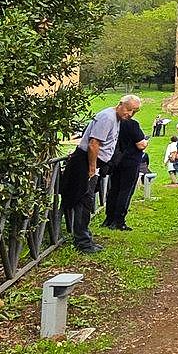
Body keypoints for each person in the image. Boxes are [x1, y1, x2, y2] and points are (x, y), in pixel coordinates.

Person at [61, 94, 141, 254]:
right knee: (84, 200)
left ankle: (85, 237)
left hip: (93, 163)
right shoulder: (107, 118)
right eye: (128, 110)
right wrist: (92, 168)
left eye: (134, 112)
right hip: (86, 162)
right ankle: (82, 242)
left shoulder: (117, 119)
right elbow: (93, 144)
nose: (130, 114)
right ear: (120, 104)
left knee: (86, 200)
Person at [103, 107, 148, 231]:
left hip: (115, 160)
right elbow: (141, 144)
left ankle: (109, 219)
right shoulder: (132, 125)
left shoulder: (114, 123)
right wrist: (146, 143)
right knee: (125, 191)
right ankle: (119, 221)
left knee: (114, 190)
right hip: (130, 161)